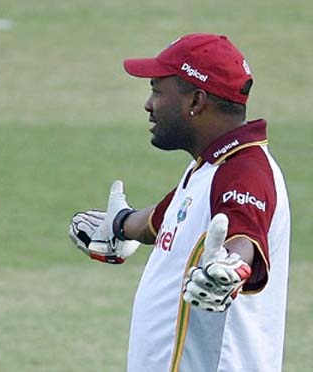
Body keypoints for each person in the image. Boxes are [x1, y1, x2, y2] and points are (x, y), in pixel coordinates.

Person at [68, 33, 290, 371]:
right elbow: (158, 221)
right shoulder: (207, 168)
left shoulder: (245, 170)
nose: (148, 104)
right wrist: (118, 225)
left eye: (157, 91)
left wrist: (231, 268)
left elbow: (243, 234)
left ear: (196, 100)